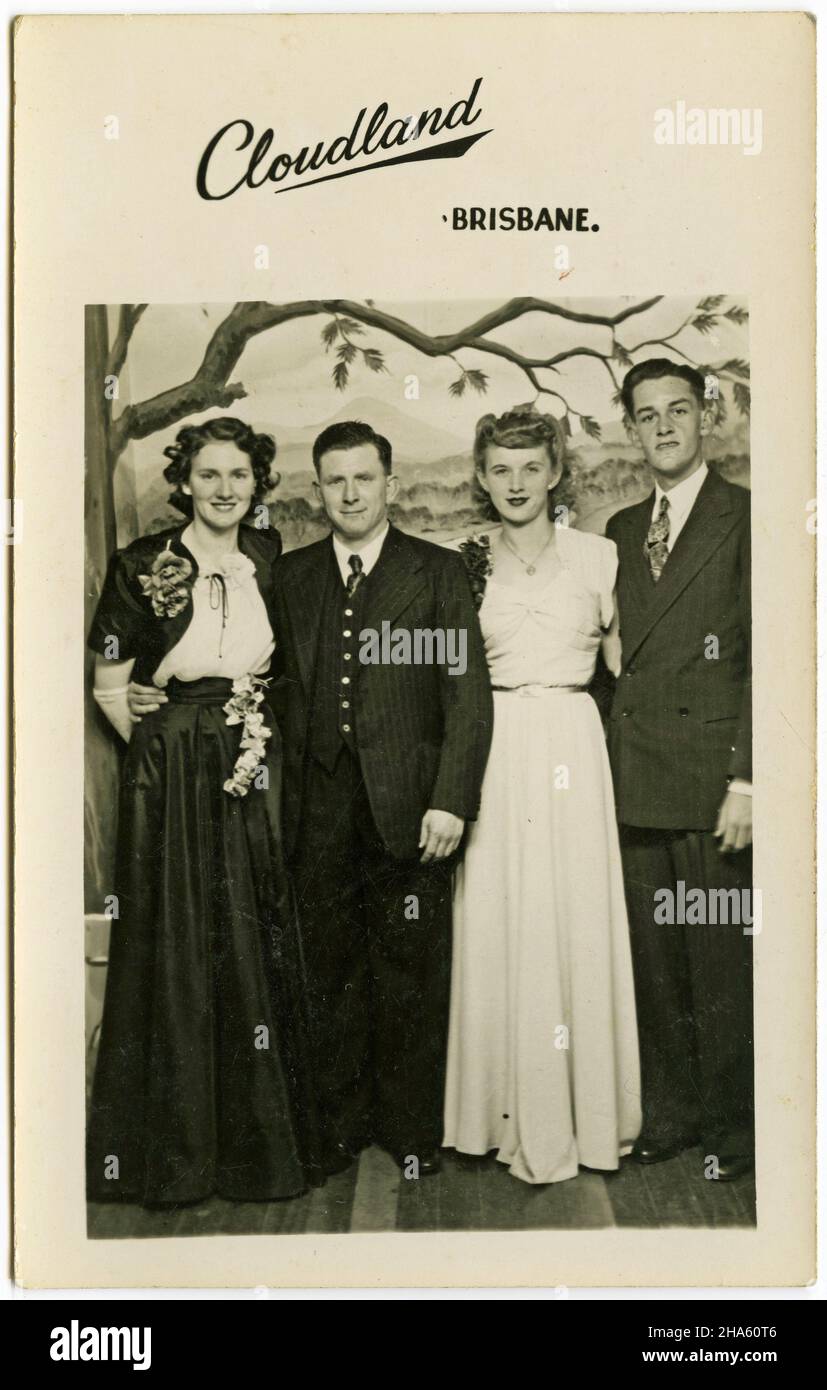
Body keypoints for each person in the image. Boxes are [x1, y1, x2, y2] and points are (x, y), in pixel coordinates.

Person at [88, 415, 320, 1205]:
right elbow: (110, 677)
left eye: (240, 475)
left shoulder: (267, 554)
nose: (225, 490)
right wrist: (157, 733)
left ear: (258, 485)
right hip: (174, 758)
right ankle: (178, 1155)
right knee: (176, 928)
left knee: (248, 927)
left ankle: (255, 1149)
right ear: (184, 481)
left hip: (250, 752)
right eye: (210, 475)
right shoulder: (139, 564)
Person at [271, 420, 493, 1177]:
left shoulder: (434, 571)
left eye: (363, 478)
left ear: (389, 485)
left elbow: (467, 696)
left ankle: (410, 1133)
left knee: (410, 972)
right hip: (320, 807)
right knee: (328, 968)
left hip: (409, 806)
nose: (350, 493)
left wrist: (451, 800)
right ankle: (338, 1128)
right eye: (334, 480)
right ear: (317, 489)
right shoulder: (292, 576)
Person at [443, 406, 641, 1184]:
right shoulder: (462, 561)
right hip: (495, 749)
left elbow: (628, 669)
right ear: (482, 478)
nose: (515, 483)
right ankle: (497, 1114)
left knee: (572, 916)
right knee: (500, 916)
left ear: (556, 472)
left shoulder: (598, 558)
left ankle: (586, 1119)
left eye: (530, 467)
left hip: (572, 746)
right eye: (500, 469)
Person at [606, 359, 753, 1181]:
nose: (662, 427)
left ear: (706, 419)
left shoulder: (747, 518)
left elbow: (777, 656)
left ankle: (734, 1130)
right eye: (645, 415)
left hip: (713, 786)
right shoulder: (620, 531)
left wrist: (748, 779)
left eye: (677, 411)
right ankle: (671, 1114)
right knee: (655, 966)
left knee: (720, 962)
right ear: (630, 429)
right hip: (636, 780)